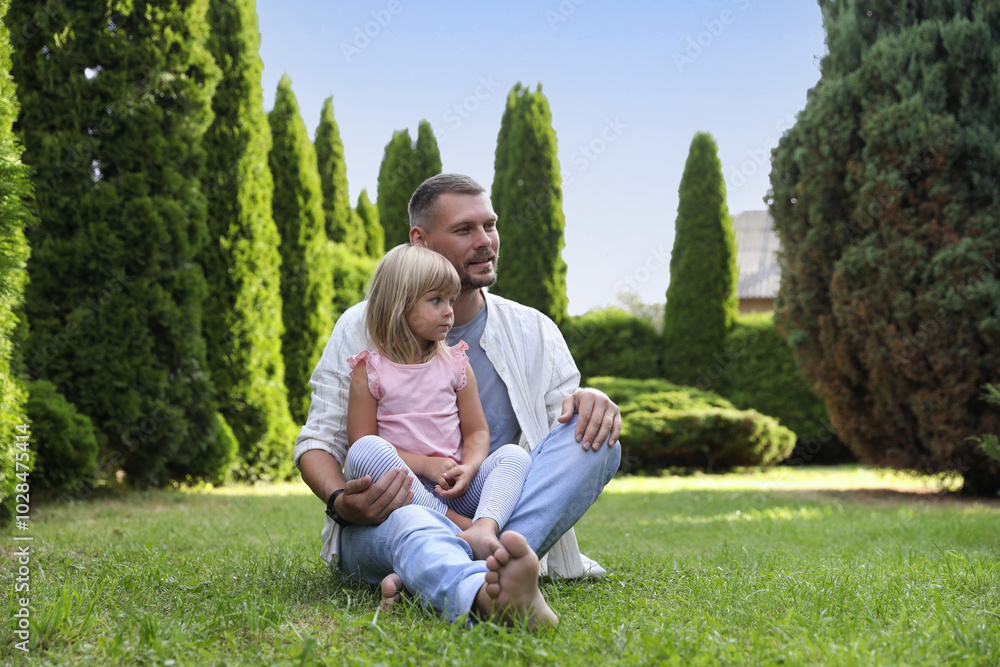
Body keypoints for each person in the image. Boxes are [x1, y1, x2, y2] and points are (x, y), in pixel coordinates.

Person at [295, 173, 622, 629]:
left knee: (595, 440)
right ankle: (489, 591)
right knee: (410, 523)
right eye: (465, 229)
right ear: (420, 241)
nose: (485, 240)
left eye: (490, 225)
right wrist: (339, 501)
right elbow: (318, 441)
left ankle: (455, 561)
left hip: (487, 502)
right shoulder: (360, 326)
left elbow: (558, 439)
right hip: (392, 515)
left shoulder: (534, 329)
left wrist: (593, 401)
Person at [343, 244, 532, 605]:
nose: (449, 311)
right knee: (366, 451)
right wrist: (425, 464)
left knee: (513, 456)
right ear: (398, 305)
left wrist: (469, 467)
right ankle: (462, 530)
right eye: (436, 301)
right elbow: (361, 441)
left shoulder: (456, 364)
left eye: (450, 300)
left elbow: (477, 432)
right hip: (404, 496)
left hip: (456, 490)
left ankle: (484, 526)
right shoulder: (370, 370)